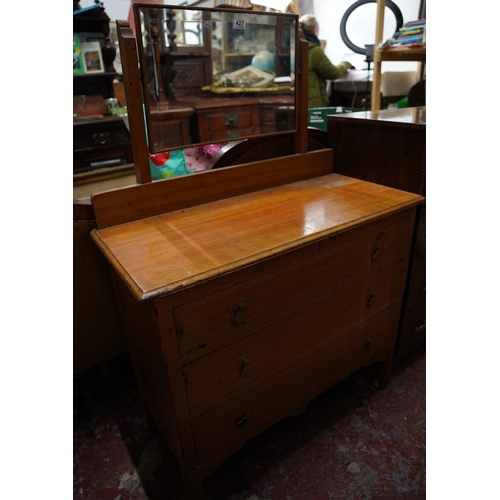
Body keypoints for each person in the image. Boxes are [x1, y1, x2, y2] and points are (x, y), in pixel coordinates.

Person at [299, 14, 353, 108]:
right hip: (312, 106)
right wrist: (346, 63)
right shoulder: (314, 50)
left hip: (299, 103)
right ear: (315, 31)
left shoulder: (296, 47)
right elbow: (333, 73)